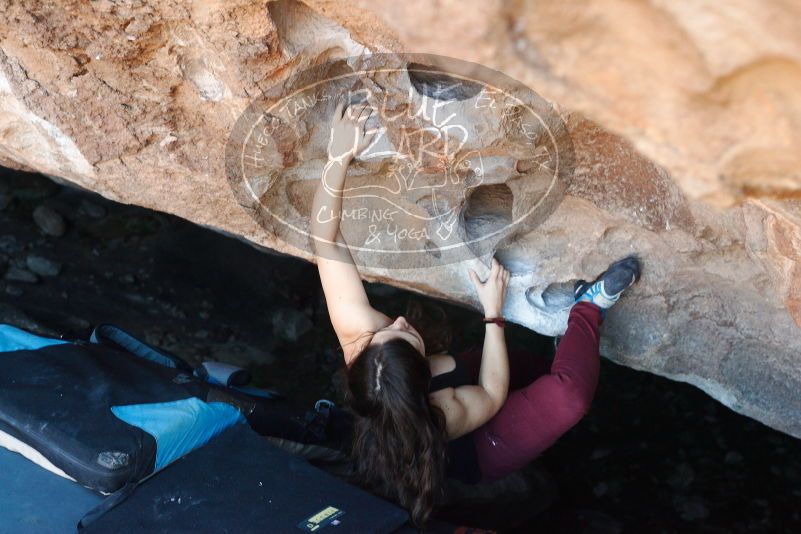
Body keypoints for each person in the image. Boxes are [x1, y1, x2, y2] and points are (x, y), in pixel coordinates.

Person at [310, 100, 641, 527]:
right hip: (482, 446)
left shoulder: (361, 337)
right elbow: (491, 393)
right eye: (406, 335)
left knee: (531, 367)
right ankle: (588, 309)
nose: (399, 322)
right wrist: (492, 316)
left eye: (390, 330)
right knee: (566, 397)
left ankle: (567, 348)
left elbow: (325, 240)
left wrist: (339, 156)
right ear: (423, 378)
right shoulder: (442, 415)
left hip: (452, 381)